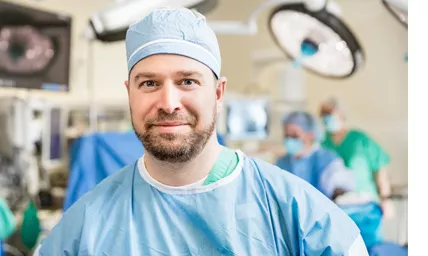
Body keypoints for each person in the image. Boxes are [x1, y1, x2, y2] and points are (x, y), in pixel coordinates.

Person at [35, 8, 368, 255]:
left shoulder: (300, 218)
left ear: (218, 94)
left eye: (187, 81)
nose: (168, 102)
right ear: (130, 94)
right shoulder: (84, 230)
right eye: (149, 83)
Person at [319, 97, 394, 220]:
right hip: (336, 207)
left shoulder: (359, 139)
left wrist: (385, 198)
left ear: (341, 114)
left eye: (329, 113)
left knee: (368, 238)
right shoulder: (323, 143)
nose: (326, 118)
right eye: (323, 115)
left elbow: (380, 167)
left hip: (365, 204)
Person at [275, 111, 355, 200]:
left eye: (294, 135)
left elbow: (339, 187)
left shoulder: (326, 160)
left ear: (310, 135)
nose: (289, 139)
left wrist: (339, 194)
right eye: (286, 135)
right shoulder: (282, 163)